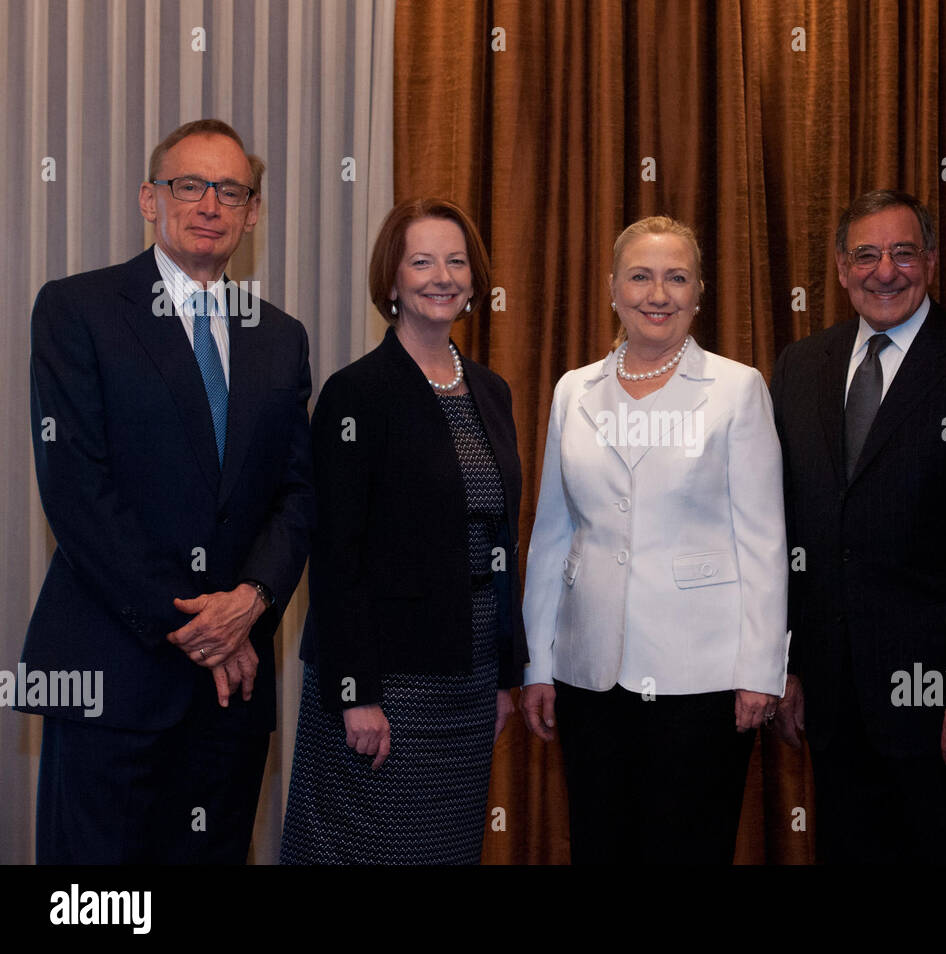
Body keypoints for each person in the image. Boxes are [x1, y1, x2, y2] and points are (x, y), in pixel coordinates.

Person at [22, 118, 314, 863]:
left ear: (252, 213)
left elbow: (300, 493)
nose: (209, 204)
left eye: (231, 190)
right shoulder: (77, 309)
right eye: (190, 185)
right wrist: (200, 629)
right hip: (114, 676)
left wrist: (250, 601)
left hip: (231, 698)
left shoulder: (280, 337)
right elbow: (76, 491)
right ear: (151, 199)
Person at [770, 189, 946, 863]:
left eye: (902, 252)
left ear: (933, 261)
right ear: (839, 267)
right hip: (835, 708)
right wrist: (789, 665)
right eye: (865, 254)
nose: (884, 271)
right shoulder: (800, 368)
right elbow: (788, 530)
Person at [520, 216, 787, 864]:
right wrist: (538, 662)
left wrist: (760, 670)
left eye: (676, 278)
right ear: (612, 289)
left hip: (702, 678)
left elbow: (764, 539)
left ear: (699, 293)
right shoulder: (572, 391)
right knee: (600, 845)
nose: (657, 293)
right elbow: (552, 534)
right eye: (640, 276)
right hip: (590, 677)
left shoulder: (736, 388)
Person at [280, 198, 526, 865]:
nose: (441, 275)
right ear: (391, 282)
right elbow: (337, 554)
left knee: (446, 850)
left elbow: (503, 542)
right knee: (365, 848)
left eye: (455, 261)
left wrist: (507, 674)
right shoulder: (355, 394)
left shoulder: (491, 390)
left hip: (470, 676)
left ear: (475, 281)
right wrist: (356, 693)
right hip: (384, 680)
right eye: (421, 261)